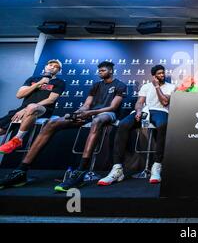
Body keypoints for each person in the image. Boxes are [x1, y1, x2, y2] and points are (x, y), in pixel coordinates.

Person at [0, 61, 127, 191]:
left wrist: (89, 113)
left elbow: (113, 107)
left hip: (108, 114)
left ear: (110, 71)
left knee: (97, 121)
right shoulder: (96, 85)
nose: (100, 72)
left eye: (103, 70)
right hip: (89, 113)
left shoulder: (120, 85)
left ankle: (81, 171)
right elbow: (87, 104)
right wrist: (78, 113)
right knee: (52, 123)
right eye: (99, 70)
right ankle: (22, 170)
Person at [97, 65, 176, 186]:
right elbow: (139, 102)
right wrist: (138, 111)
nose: (162, 75)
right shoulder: (145, 86)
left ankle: (157, 166)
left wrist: (156, 87)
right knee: (123, 124)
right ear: (154, 75)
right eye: (159, 73)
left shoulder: (171, 87)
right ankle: (117, 168)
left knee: (163, 125)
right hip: (145, 110)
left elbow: (164, 101)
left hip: (160, 111)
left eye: (163, 73)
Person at [0, 59, 65, 154]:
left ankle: (17, 140)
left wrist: (27, 108)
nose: (52, 67)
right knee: (1, 129)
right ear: (46, 67)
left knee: (32, 107)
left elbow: (50, 100)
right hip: (21, 109)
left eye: (56, 67)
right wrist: (39, 83)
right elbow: (19, 95)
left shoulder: (59, 82)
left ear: (58, 71)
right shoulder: (33, 79)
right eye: (50, 65)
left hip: (44, 109)